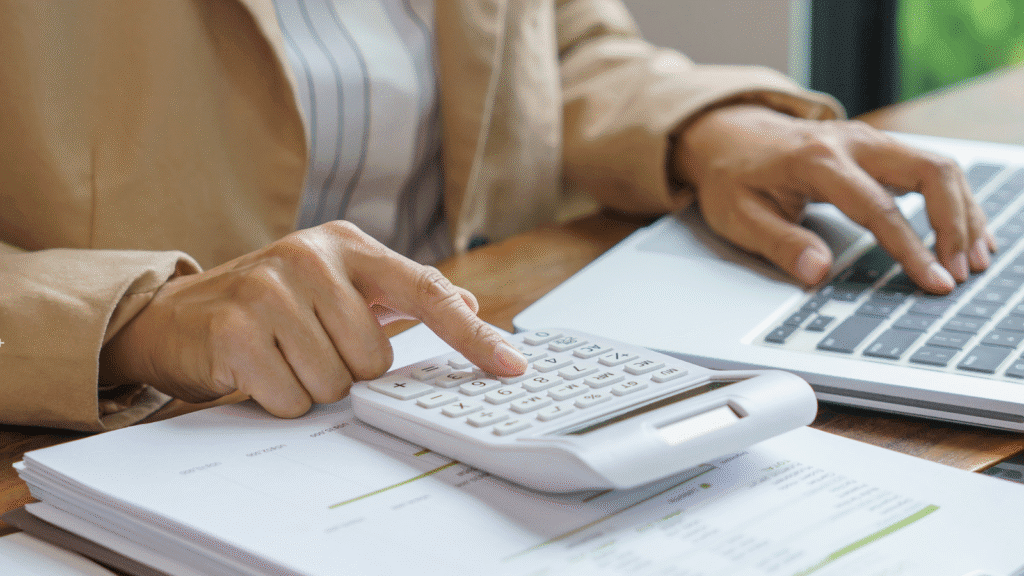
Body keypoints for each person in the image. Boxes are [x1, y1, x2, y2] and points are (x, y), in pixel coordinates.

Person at [0, 0, 992, 431]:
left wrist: (708, 128)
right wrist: (134, 318)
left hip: (482, 384)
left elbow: (555, 42)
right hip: (131, 437)